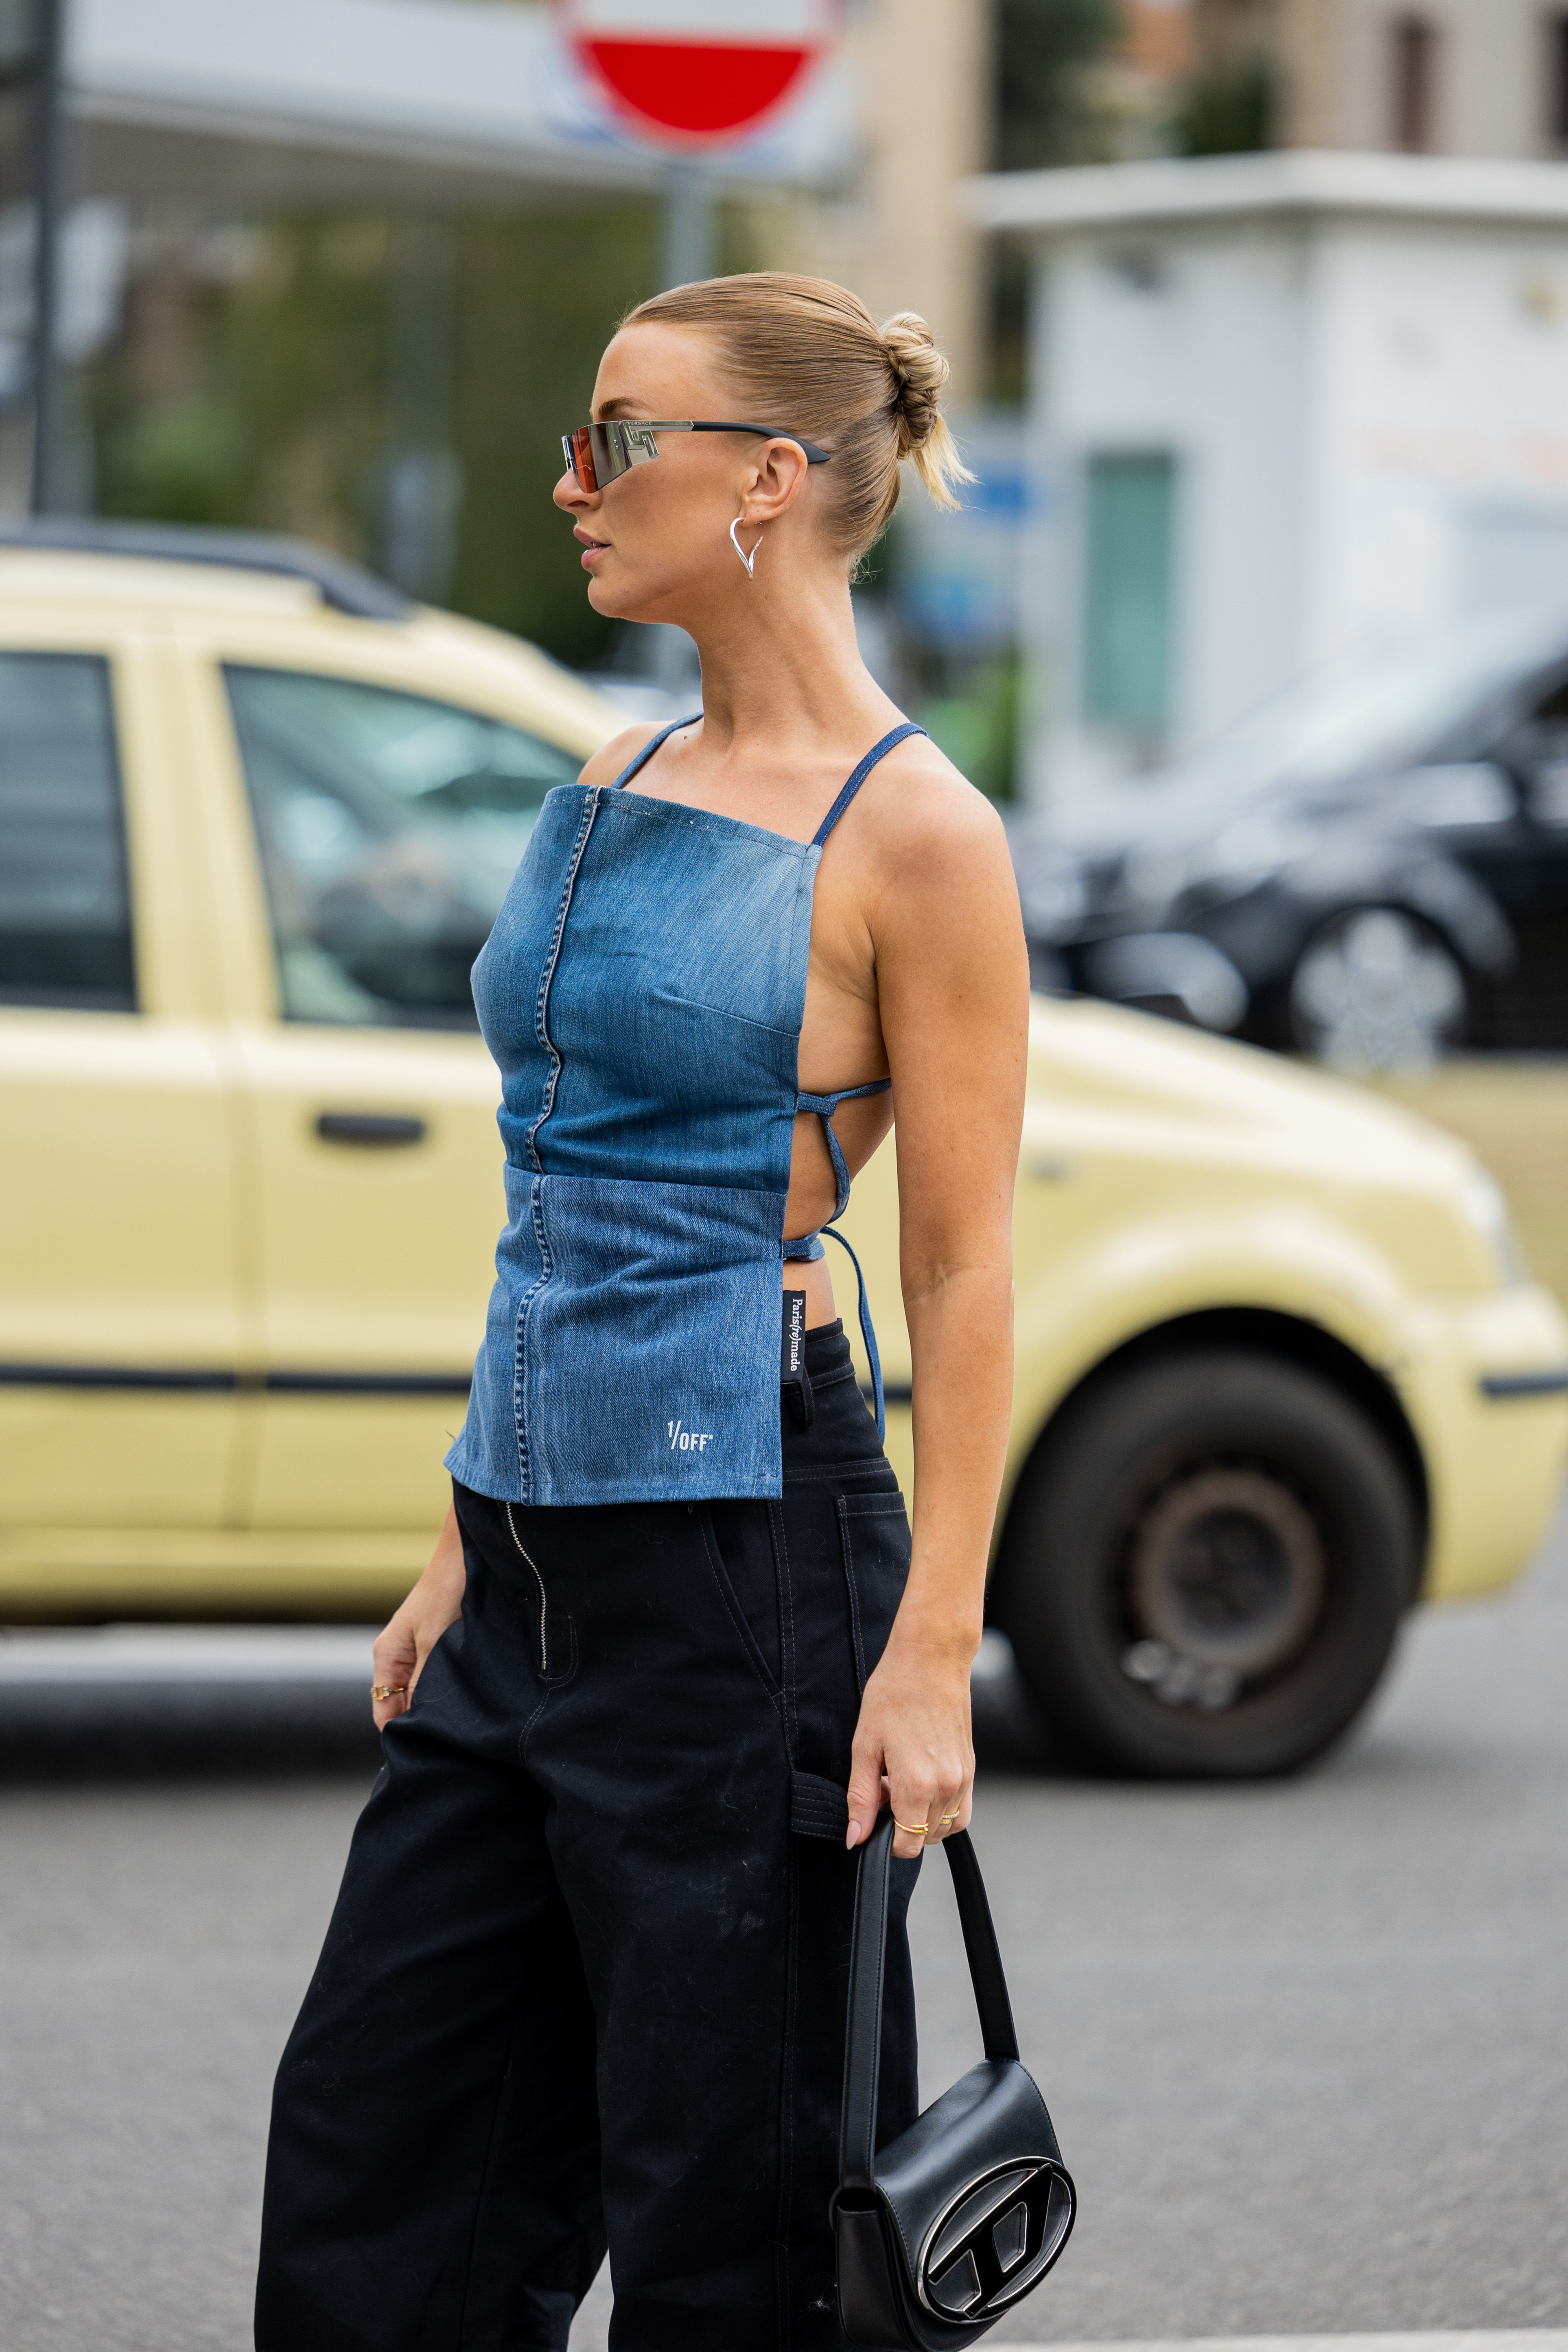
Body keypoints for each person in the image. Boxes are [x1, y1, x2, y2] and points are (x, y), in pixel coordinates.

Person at [254, 271, 1029, 2352]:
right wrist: (456, 1532)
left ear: (768, 480)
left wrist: (930, 1650)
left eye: (616, 434)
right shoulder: (618, 756)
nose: (569, 481)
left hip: (749, 1559)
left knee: (736, 2215)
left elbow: (961, 1269)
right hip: (522, 1557)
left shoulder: (920, 839)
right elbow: (549, 1184)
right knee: (377, 2167)